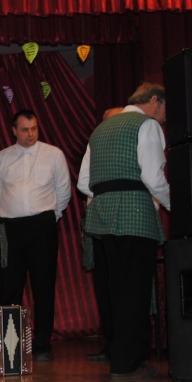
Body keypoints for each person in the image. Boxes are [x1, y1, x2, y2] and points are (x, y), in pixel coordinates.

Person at [78, 83, 169, 379]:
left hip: (102, 217)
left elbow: (83, 182)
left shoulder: (99, 130)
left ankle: (121, 357)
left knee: (114, 289)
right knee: (135, 290)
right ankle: (129, 363)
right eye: (165, 109)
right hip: (134, 215)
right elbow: (153, 178)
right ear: (154, 100)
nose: (165, 117)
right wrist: (176, 204)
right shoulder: (147, 125)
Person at [0, 109, 71, 362]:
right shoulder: (2, 157)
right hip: (11, 228)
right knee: (10, 286)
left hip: (42, 226)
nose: (30, 134)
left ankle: (42, 343)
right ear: (14, 130)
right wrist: (11, 214)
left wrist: (50, 217)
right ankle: (9, 344)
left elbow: (63, 191)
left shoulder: (54, 154)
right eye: (25, 129)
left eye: (34, 128)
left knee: (43, 285)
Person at [80, 107, 123, 362]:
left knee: (122, 285)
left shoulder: (131, 145)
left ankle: (126, 344)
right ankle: (110, 342)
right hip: (99, 223)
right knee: (104, 285)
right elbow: (83, 182)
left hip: (125, 221)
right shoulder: (95, 145)